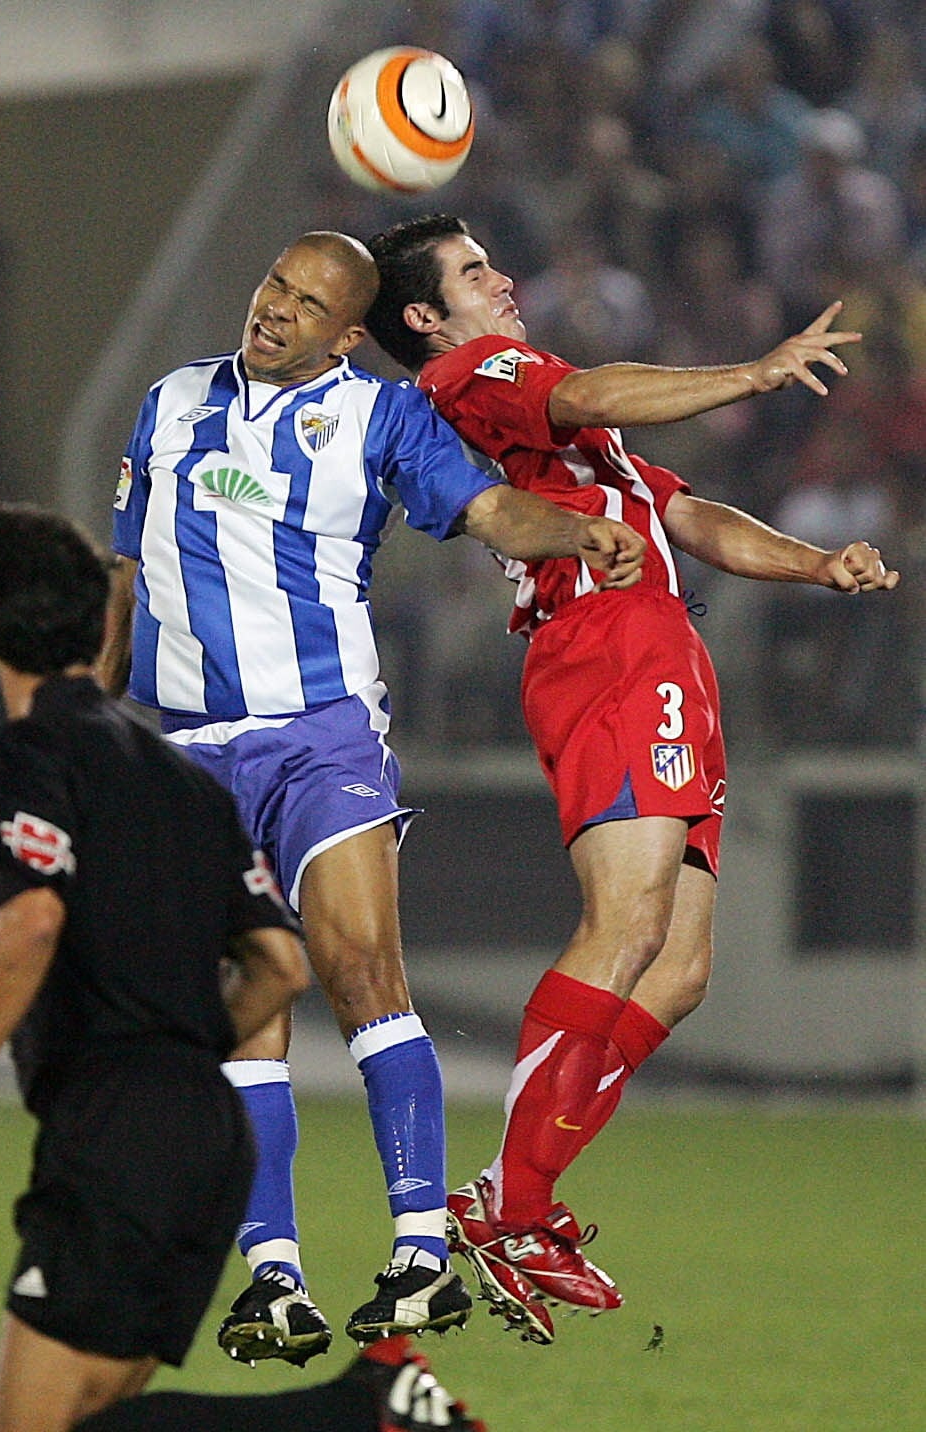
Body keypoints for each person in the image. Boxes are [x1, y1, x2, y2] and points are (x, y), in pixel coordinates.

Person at [99, 229, 646, 1360]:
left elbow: (491, 511)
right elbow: (124, 573)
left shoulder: (380, 417)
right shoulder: (170, 402)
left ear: (350, 332)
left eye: (307, 303)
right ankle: (276, 1279)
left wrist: (582, 531)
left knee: (359, 968)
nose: (274, 311)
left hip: (319, 735)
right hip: (185, 752)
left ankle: (417, 1254)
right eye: (270, 285)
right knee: (242, 1009)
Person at [363, 213, 900, 1328]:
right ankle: (508, 1202)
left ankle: (515, 1196)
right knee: (626, 923)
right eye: (471, 271)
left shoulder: (571, 432)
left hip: (661, 643)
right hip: (605, 640)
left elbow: (686, 512)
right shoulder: (477, 371)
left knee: (676, 965)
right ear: (423, 318)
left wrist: (814, 563)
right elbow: (593, 390)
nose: (500, 278)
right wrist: (753, 371)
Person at [0, 503, 488, 1432]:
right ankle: (360, 1409)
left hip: (115, 1141)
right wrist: (185, 1052)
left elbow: (29, 920)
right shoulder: (174, 773)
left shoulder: (34, 751)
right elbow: (278, 963)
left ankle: (358, 1410)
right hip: (209, 1145)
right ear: (105, 624)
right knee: (89, 1419)